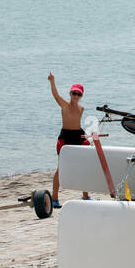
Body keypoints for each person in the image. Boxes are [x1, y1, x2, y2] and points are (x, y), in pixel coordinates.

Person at [48, 74, 91, 208]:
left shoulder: (81, 109)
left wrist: (87, 136)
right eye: (74, 93)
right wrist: (52, 81)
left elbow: (78, 125)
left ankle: (86, 195)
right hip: (66, 137)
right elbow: (55, 95)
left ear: (81, 96)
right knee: (61, 168)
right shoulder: (64, 105)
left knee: (84, 165)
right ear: (70, 93)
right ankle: (54, 198)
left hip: (78, 135)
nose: (76, 96)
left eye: (79, 94)